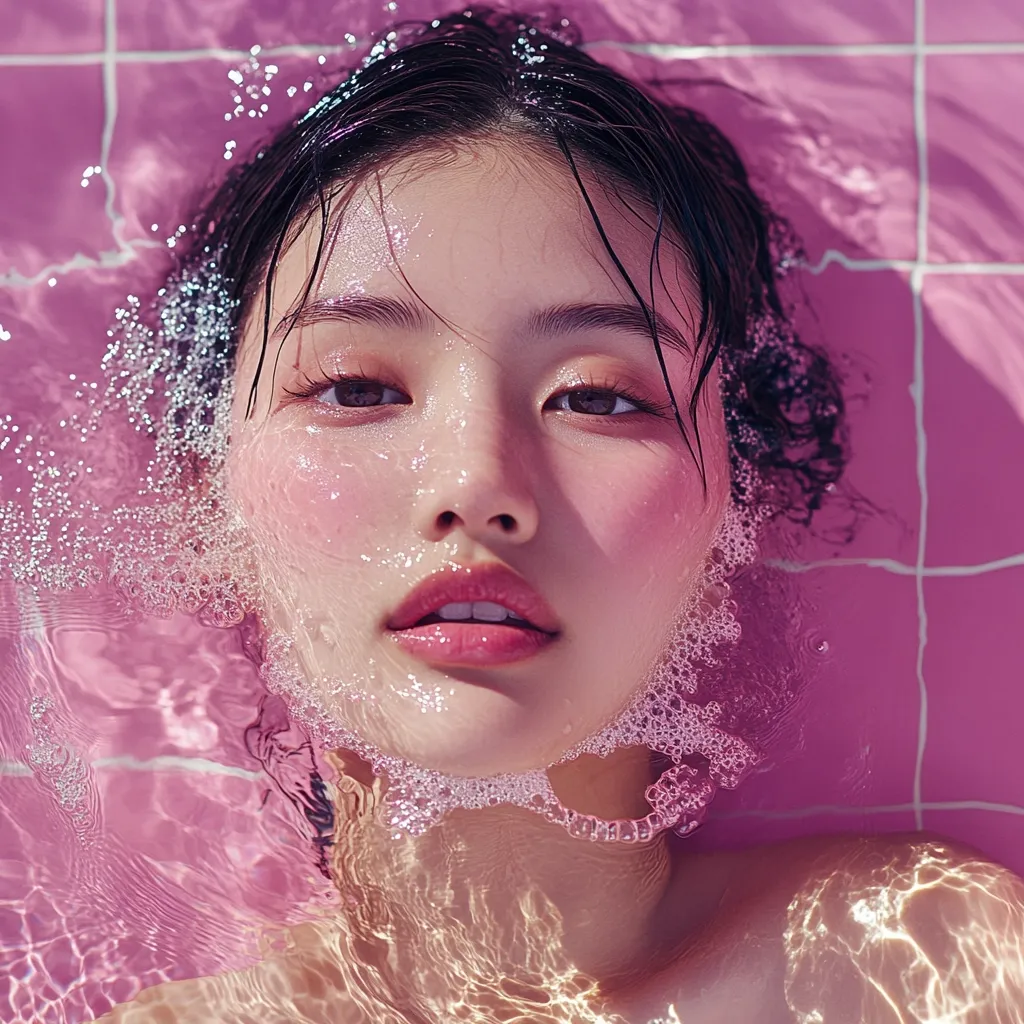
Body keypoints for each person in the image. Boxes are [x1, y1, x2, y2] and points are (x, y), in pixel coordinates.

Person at [89, 7, 1024, 1022]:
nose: (478, 481)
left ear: (733, 512)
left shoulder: (906, 961)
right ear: (203, 507)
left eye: (597, 397)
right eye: (356, 387)